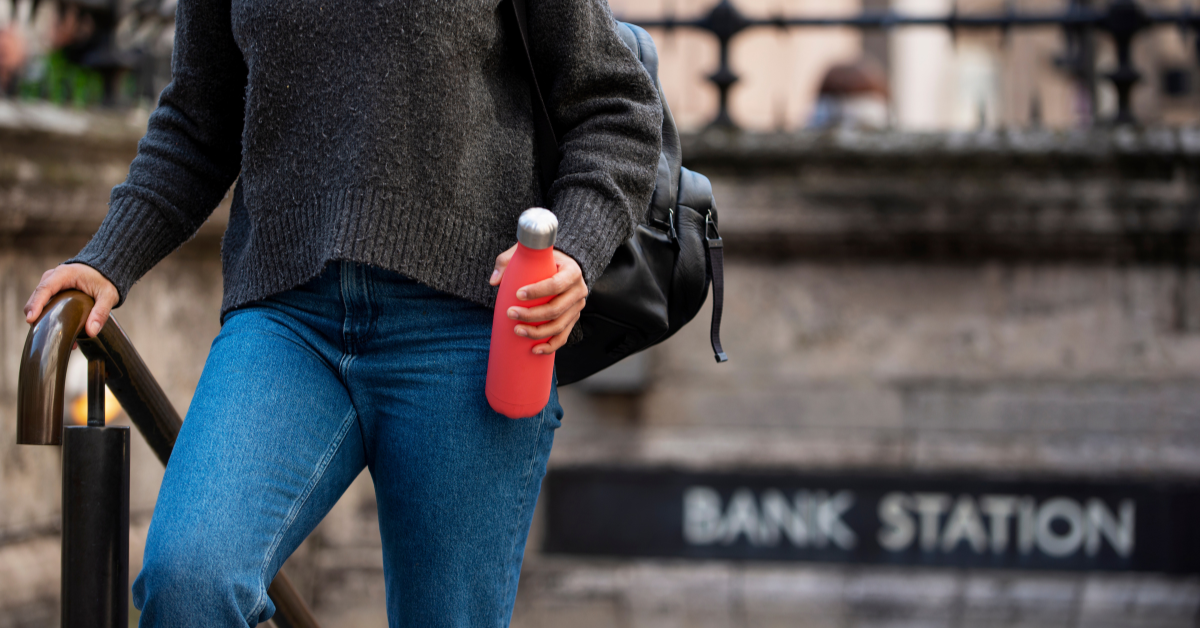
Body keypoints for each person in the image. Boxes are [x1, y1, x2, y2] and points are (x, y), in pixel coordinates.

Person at [22, 0, 663, 623]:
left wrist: (574, 250)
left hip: (470, 330)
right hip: (287, 320)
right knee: (190, 581)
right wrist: (109, 257)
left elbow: (615, 108)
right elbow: (198, 120)